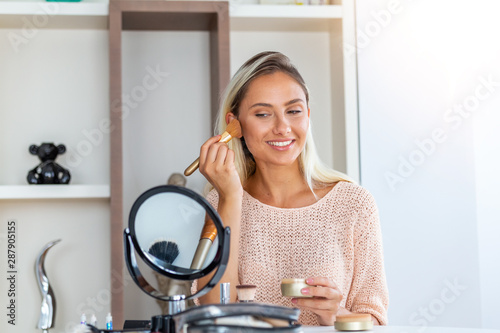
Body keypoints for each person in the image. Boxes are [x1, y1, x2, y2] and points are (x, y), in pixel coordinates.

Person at [197, 51, 388, 326]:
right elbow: (214, 313)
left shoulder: (354, 203)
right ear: (234, 125)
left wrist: (337, 315)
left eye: (294, 111)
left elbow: (376, 321)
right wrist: (231, 197)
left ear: (308, 116)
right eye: (263, 114)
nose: (282, 127)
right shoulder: (220, 202)